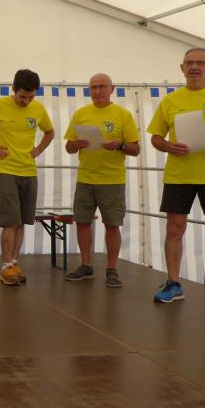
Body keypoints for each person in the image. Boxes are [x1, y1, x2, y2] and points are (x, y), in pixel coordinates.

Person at [0, 69, 55, 286]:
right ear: (13, 89)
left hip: (29, 171)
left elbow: (50, 132)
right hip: (5, 170)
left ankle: (14, 263)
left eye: (31, 97)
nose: (26, 101)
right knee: (10, 221)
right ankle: (6, 266)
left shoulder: (38, 109)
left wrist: (38, 150)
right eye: (23, 96)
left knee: (22, 221)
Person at [147, 47, 205, 304]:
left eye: (200, 62)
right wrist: (168, 146)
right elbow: (155, 137)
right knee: (174, 228)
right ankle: (173, 283)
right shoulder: (170, 100)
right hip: (178, 175)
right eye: (189, 62)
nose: (194, 67)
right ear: (182, 68)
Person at [64, 73, 140, 287]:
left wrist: (120, 146)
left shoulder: (123, 114)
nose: (97, 91)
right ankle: (86, 265)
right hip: (85, 178)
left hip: (112, 180)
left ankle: (112, 269)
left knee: (112, 225)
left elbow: (135, 149)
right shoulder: (81, 114)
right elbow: (68, 147)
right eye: (93, 87)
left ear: (112, 89)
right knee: (82, 222)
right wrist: (75, 145)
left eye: (101, 87)